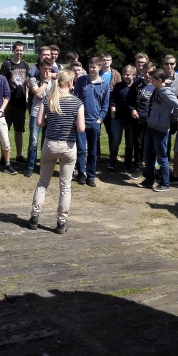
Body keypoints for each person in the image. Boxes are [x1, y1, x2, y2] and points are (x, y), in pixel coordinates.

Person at [28, 70, 85, 235]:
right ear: (69, 83)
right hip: (68, 146)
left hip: (50, 144)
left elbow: (39, 123)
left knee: (42, 183)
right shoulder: (77, 103)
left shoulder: (48, 99)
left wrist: (51, 121)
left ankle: (34, 217)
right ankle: (61, 222)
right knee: (65, 186)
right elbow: (81, 128)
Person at [138, 68, 178, 192]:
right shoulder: (157, 90)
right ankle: (149, 179)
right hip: (151, 126)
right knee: (147, 155)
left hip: (161, 130)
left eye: (153, 80)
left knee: (161, 157)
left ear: (159, 80)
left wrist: (169, 117)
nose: (151, 81)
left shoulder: (166, 93)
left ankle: (165, 183)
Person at [74, 57, 110, 186]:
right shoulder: (81, 81)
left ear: (99, 67)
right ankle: (81, 174)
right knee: (81, 149)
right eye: (90, 67)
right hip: (81, 121)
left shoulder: (104, 84)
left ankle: (91, 176)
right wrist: (77, 118)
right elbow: (76, 99)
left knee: (93, 151)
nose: (92, 69)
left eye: (94, 67)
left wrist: (100, 119)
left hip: (95, 122)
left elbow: (105, 104)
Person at [0, 41, 29, 163]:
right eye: (17, 50)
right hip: (8, 102)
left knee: (19, 130)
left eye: (21, 50)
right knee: (5, 130)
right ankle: (3, 156)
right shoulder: (6, 65)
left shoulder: (25, 64)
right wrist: (3, 104)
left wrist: (26, 96)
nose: (19, 52)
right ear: (13, 50)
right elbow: (1, 84)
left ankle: (18, 155)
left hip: (20, 102)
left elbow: (26, 83)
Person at [25, 58, 53, 178]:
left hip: (50, 113)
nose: (47, 71)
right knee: (34, 141)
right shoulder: (33, 79)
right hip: (36, 113)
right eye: (45, 68)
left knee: (46, 142)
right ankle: (30, 166)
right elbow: (37, 93)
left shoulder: (55, 80)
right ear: (40, 68)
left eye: (49, 69)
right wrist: (46, 82)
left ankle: (43, 165)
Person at [108, 65, 137, 173]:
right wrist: (113, 115)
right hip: (118, 117)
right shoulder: (118, 86)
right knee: (115, 141)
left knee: (129, 143)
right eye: (124, 74)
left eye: (128, 74)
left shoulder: (136, 86)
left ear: (133, 75)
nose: (125, 76)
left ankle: (127, 165)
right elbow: (113, 100)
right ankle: (112, 162)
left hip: (131, 119)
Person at [130, 62, 155, 179]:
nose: (147, 75)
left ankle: (150, 167)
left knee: (151, 144)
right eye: (145, 72)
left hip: (153, 119)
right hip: (139, 118)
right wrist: (132, 109)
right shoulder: (137, 85)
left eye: (150, 72)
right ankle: (138, 166)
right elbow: (129, 101)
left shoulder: (157, 85)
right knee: (138, 143)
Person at [100, 53, 122, 157]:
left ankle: (113, 154)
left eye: (108, 60)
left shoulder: (116, 74)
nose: (106, 62)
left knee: (111, 132)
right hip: (98, 106)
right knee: (96, 132)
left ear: (111, 61)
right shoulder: (97, 72)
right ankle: (97, 154)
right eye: (104, 60)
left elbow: (120, 90)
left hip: (110, 106)